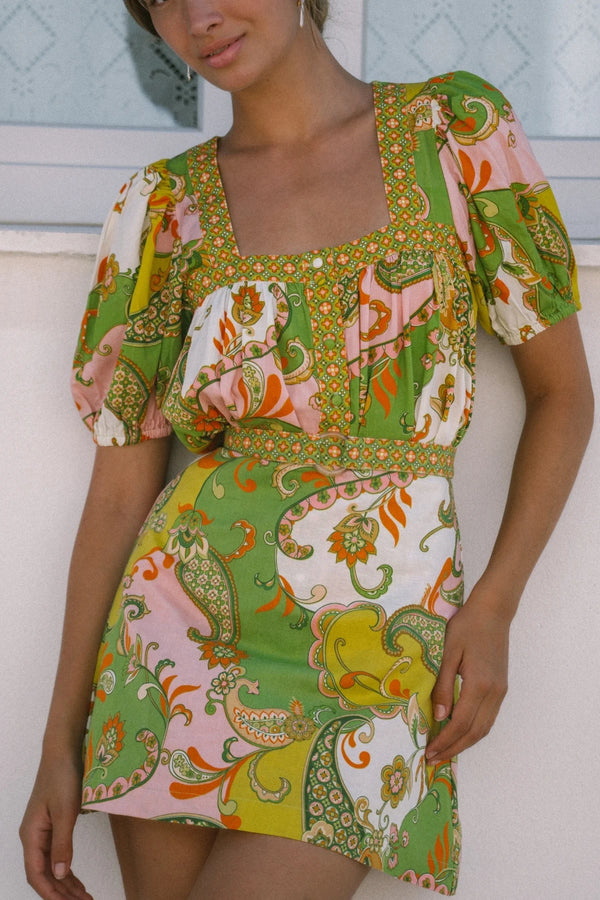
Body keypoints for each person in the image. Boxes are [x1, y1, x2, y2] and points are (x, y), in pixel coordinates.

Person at [20, 1, 593, 898]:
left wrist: (493, 609)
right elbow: (118, 494)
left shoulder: (458, 132)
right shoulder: (160, 208)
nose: (197, 15)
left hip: (372, 654)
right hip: (175, 641)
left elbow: (565, 397)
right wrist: (58, 744)